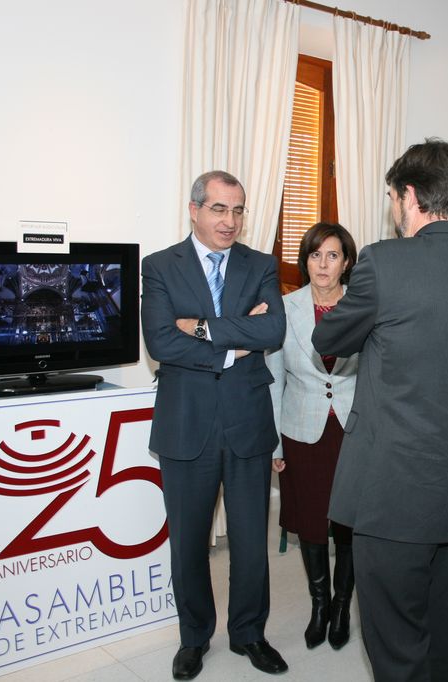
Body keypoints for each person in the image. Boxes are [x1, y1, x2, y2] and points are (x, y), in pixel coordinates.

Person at [312, 139, 448, 682]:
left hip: (394, 492)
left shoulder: (385, 262)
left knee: (396, 643)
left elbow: (329, 337)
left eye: (391, 196)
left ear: (409, 196)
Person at [141, 170, 288, 680]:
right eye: (220, 209)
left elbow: (273, 329)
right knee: (188, 543)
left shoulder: (261, 263)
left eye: (239, 210)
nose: (230, 221)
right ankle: (194, 638)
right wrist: (232, 347)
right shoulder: (160, 266)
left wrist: (202, 328)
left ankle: (249, 633)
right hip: (186, 425)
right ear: (194, 209)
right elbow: (161, 342)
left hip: (247, 423)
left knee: (251, 542)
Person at [265, 222, 359, 651]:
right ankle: (319, 604)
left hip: (354, 431)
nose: (323, 264)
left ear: (347, 262)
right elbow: (273, 381)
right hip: (303, 431)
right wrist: (275, 444)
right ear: (306, 261)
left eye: (333, 255)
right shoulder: (285, 308)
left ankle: (342, 605)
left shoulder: (363, 306)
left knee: (349, 524)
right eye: (316, 255)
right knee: (311, 521)